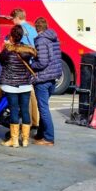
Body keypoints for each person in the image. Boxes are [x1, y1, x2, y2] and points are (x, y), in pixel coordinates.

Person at [0, 24, 37, 148]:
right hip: (25, 84)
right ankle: (25, 140)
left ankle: (14, 141)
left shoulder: (7, 50)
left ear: (12, 37)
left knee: (14, 110)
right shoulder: (28, 50)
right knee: (25, 110)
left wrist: (7, 44)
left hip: (10, 85)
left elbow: (0, 60)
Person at [28, 17, 62, 146]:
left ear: (37, 28)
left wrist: (32, 64)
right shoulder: (54, 38)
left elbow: (42, 62)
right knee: (43, 107)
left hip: (43, 77)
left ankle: (49, 138)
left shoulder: (41, 40)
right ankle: (41, 134)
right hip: (53, 78)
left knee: (43, 108)